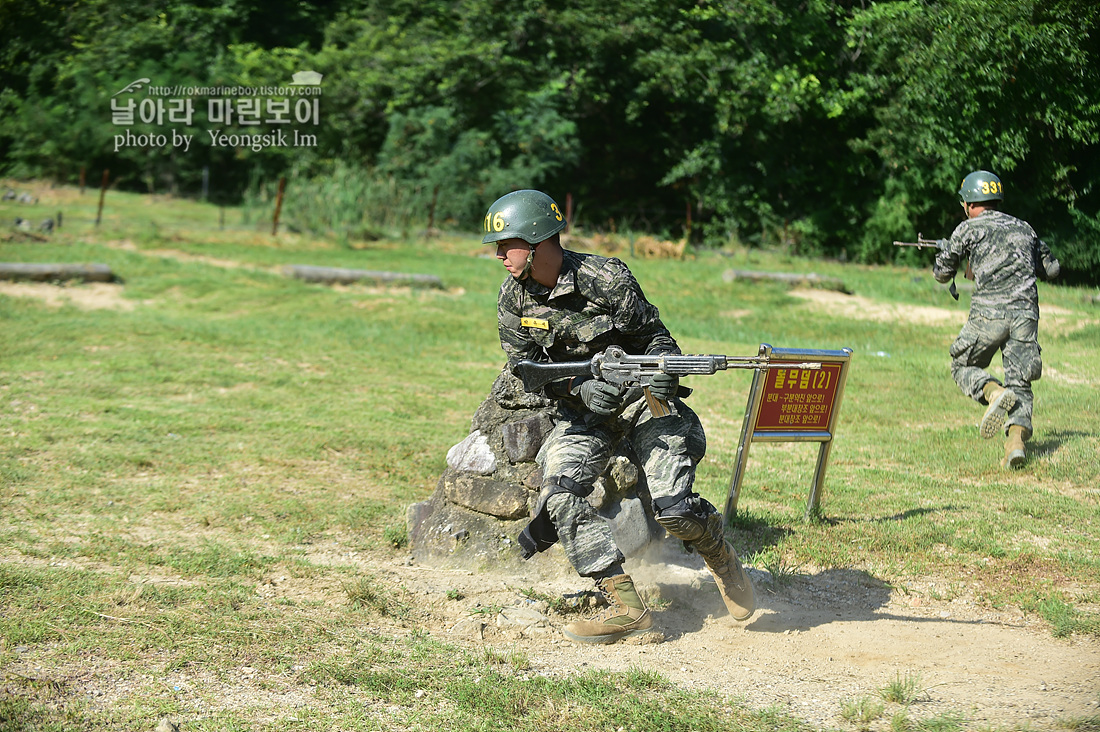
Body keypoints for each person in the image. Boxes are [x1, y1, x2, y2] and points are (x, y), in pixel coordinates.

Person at [482, 189, 755, 645]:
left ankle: (719, 555)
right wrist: (579, 387)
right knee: (559, 495)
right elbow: (526, 369)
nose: (497, 255)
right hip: (582, 419)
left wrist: (665, 372)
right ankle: (626, 606)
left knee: (675, 510)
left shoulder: (605, 278)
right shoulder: (514, 300)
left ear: (533, 240)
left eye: (503, 244)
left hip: (641, 403)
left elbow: (656, 339)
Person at [933, 170, 1060, 469]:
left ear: (969, 204)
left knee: (962, 365)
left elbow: (941, 274)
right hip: (1025, 315)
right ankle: (1015, 444)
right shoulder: (1025, 228)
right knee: (1022, 382)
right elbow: (1052, 270)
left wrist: (949, 250)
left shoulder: (967, 229)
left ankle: (994, 393)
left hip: (988, 314)